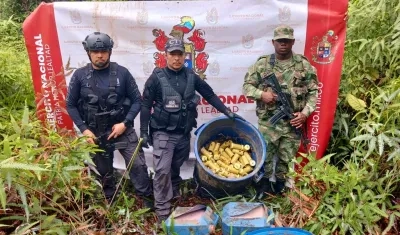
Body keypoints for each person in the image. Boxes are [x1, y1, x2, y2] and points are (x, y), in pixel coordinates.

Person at [140, 38, 244, 222]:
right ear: (166, 55)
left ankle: (173, 193)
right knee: (162, 169)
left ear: (184, 56)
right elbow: (145, 105)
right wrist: (143, 131)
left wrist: (227, 111)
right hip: (162, 132)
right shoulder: (156, 78)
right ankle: (163, 210)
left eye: (180, 54)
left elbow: (209, 94)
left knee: (175, 166)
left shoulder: (191, 76)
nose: (176, 58)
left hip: (183, 133)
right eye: (172, 54)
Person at [66, 32, 153, 205]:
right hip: (96, 132)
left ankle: (147, 198)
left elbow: (137, 101)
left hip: (122, 129)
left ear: (110, 51)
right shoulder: (79, 76)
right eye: (95, 51)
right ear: (88, 52)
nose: (100, 55)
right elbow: (71, 105)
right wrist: (85, 130)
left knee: (137, 165)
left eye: (104, 51)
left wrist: (125, 123)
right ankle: (110, 202)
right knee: (103, 171)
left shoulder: (122, 73)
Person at [243, 25, 319, 198]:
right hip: (269, 123)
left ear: (292, 42)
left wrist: (305, 113)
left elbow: (314, 92)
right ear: (273, 42)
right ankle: (261, 187)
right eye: (279, 41)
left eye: (286, 40)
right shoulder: (262, 64)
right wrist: (262, 94)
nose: (283, 44)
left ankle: (280, 188)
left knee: (286, 159)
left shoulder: (303, 65)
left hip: (292, 122)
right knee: (264, 157)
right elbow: (247, 86)